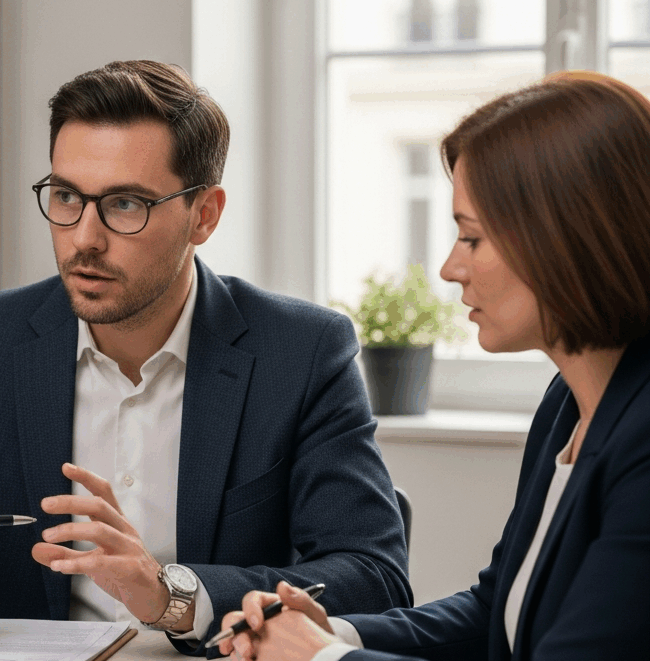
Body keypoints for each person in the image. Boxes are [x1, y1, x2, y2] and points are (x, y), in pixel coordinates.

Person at [0, 60, 411, 654]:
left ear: (204, 215)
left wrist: (175, 596)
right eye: (66, 196)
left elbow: (374, 578)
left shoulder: (300, 353)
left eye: (125, 204)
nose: (84, 238)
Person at [218, 70, 650, 661]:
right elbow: (493, 612)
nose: (450, 268)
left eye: (471, 238)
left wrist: (321, 660)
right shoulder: (567, 403)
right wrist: (337, 634)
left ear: (566, 238)